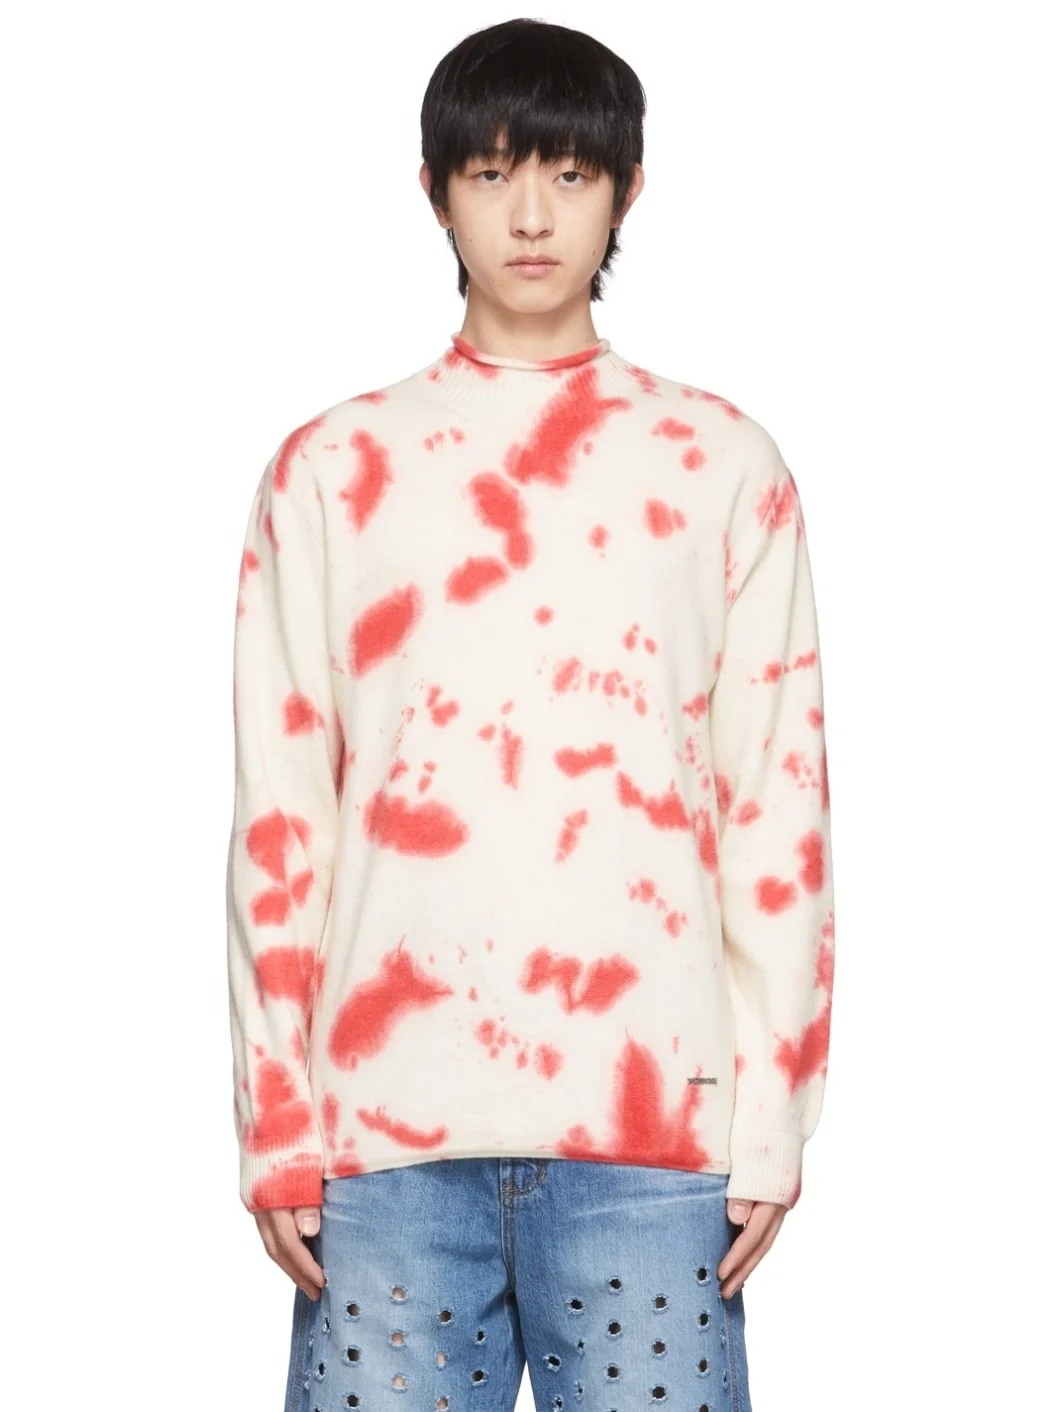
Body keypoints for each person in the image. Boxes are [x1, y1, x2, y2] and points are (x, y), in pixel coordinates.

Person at [225, 18, 835, 1411]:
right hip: (381, 1143)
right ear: (433, 191)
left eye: (569, 173)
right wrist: (276, 1120)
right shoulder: (331, 468)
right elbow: (280, 815)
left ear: (629, 189)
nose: (531, 215)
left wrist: (773, 1116)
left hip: (652, 1140)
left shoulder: (720, 464)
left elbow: (775, 805)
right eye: (493, 172)